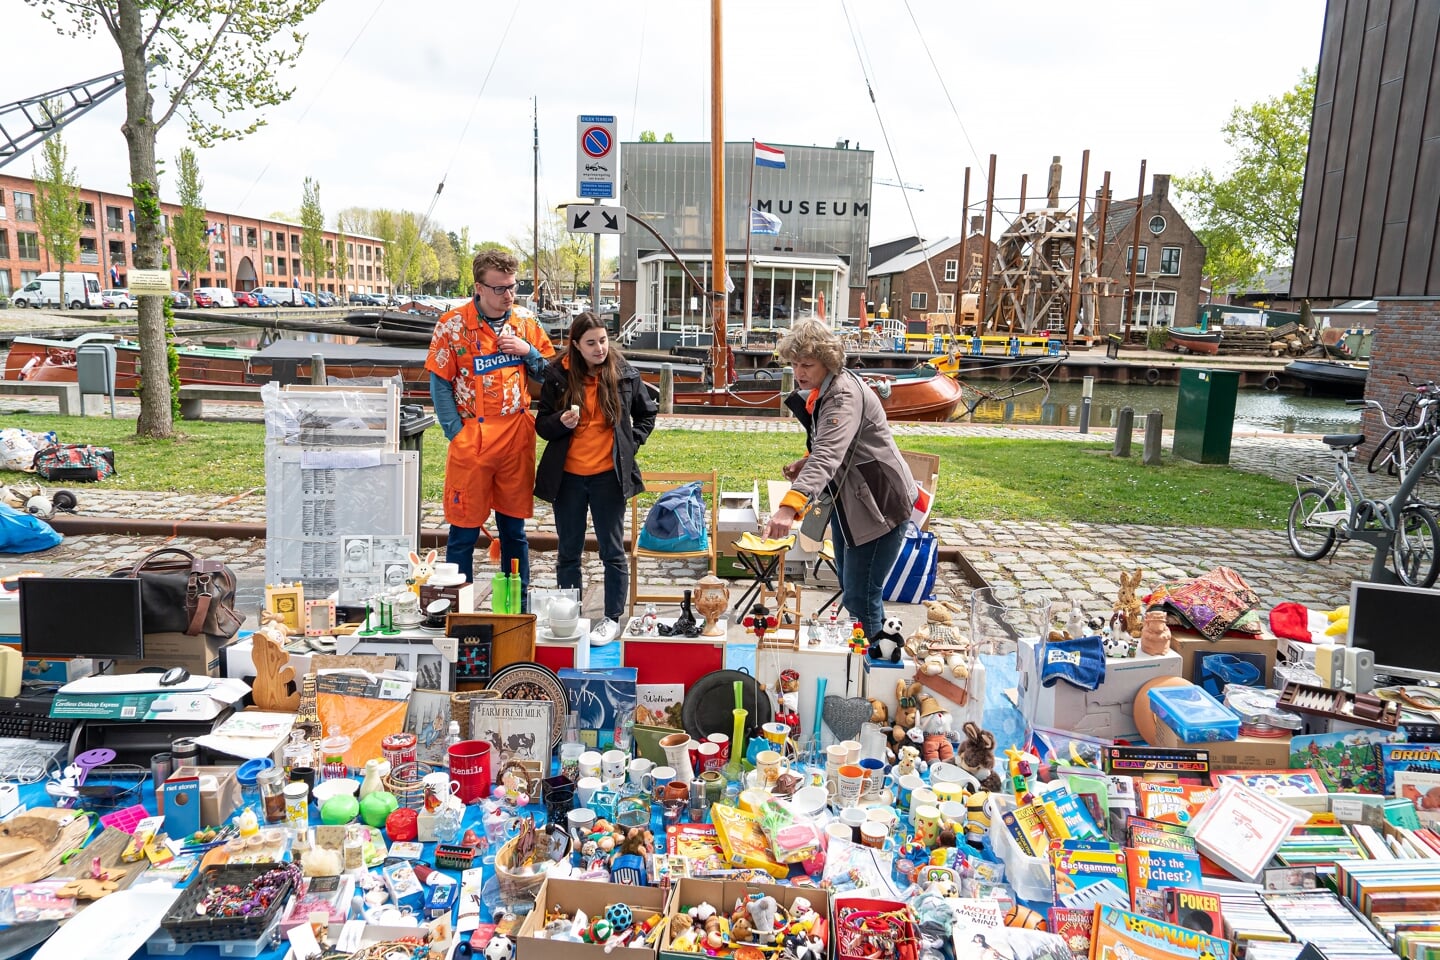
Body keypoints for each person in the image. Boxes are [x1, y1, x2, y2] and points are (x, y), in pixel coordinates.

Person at [764, 318, 917, 641]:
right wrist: (804, 464)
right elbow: (833, 447)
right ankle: (880, 656)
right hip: (856, 504)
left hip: (879, 506)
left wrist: (789, 507)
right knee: (855, 591)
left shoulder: (842, 395)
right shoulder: (826, 388)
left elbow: (828, 455)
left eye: (807, 364)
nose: (799, 372)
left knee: (861, 597)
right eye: (794, 364)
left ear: (828, 362)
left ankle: (873, 669)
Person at [427, 249, 555, 603]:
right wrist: (455, 430)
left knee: (514, 529)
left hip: (515, 435)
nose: (508, 296)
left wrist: (527, 350)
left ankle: (517, 601)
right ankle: (457, 603)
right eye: (500, 289)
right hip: (474, 436)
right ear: (478, 288)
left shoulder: (526, 322)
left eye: (513, 287)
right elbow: (439, 381)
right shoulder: (452, 325)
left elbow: (550, 374)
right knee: (464, 528)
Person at [534, 312, 658, 646]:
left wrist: (630, 442)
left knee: (613, 551)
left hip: (608, 477)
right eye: (591, 343)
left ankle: (612, 618)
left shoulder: (624, 374)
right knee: (568, 552)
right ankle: (568, 614)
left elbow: (647, 413)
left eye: (603, 340)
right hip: (569, 478)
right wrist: (561, 421)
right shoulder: (559, 376)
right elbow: (541, 424)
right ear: (575, 345)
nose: (599, 348)